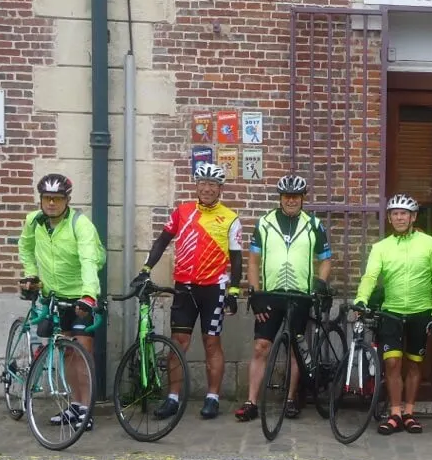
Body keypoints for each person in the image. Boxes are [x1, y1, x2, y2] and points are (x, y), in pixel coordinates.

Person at [132, 162, 242, 420]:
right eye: (202, 183)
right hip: (185, 286)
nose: (207, 188)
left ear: (220, 189)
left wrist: (234, 291)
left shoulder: (230, 219)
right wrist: (146, 268)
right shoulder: (182, 212)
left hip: (214, 288)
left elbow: (236, 259)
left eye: (212, 184)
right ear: (196, 185)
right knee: (178, 343)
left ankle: (212, 398)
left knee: (211, 342)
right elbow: (162, 241)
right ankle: (172, 398)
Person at [234, 174, 332, 422]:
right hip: (271, 295)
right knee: (260, 347)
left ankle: (290, 399)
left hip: (300, 295)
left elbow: (325, 259)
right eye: (287, 196)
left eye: (295, 196)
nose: (291, 200)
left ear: (302, 199)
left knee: (294, 349)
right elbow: (254, 261)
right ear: (280, 198)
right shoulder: (265, 223)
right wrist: (255, 293)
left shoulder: (314, 224)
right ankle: (251, 402)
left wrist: (319, 284)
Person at [354, 194, 432, 435]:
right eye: (395, 213)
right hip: (392, 312)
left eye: (404, 213)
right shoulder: (381, 247)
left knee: (415, 365)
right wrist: (361, 299)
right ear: (389, 217)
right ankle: (395, 413)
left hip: (421, 311)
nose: (399, 217)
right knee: (393, 363)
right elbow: (370, 276)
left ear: (413, 217)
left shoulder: (429, 244)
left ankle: (409, 412)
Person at [18, 173, 106, 430]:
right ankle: (75, 406)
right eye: (47, 198)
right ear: (41, 200)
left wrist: (89, 295)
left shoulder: (81, 224)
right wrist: (31, 274)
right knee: (68, 351)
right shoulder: (33, 222)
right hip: (54, 295)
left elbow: (90, 260)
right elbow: (25, 248)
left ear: (67, 200)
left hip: (81, 295)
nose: (52, 204)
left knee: (83, 351)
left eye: (57, 199)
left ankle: (86, 409)